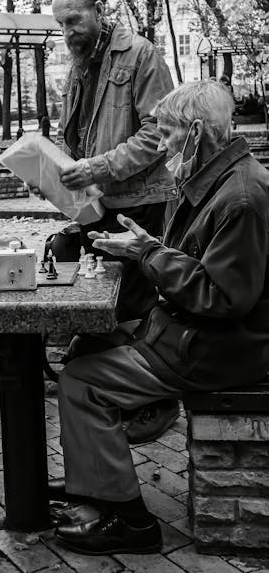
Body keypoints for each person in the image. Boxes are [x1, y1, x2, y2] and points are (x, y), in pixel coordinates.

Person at [51, 80, 269, 556]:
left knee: (82, 382)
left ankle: (127, 520)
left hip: (220, 348)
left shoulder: (242, 197)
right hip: (198, 333)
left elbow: (223, 297)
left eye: (167, 135)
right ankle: (92, 485)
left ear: (194, 132)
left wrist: (147, 252)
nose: (163, 146)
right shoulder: (219, 179)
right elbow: (195, 263)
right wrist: (140, 249)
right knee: (89, 347)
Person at [45, 0, 179, 442]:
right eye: (60, 24)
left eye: (74, 20)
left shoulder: (141, 54)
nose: (67, 32)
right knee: (101, 307)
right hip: (95, 207)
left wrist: (98, 168)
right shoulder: (77, 66)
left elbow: (159, 133)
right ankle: (106, 412)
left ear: (99, 9)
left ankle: (153, 405)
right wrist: (54, 175)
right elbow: (74, 139)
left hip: (138, 206)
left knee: (133, 307)